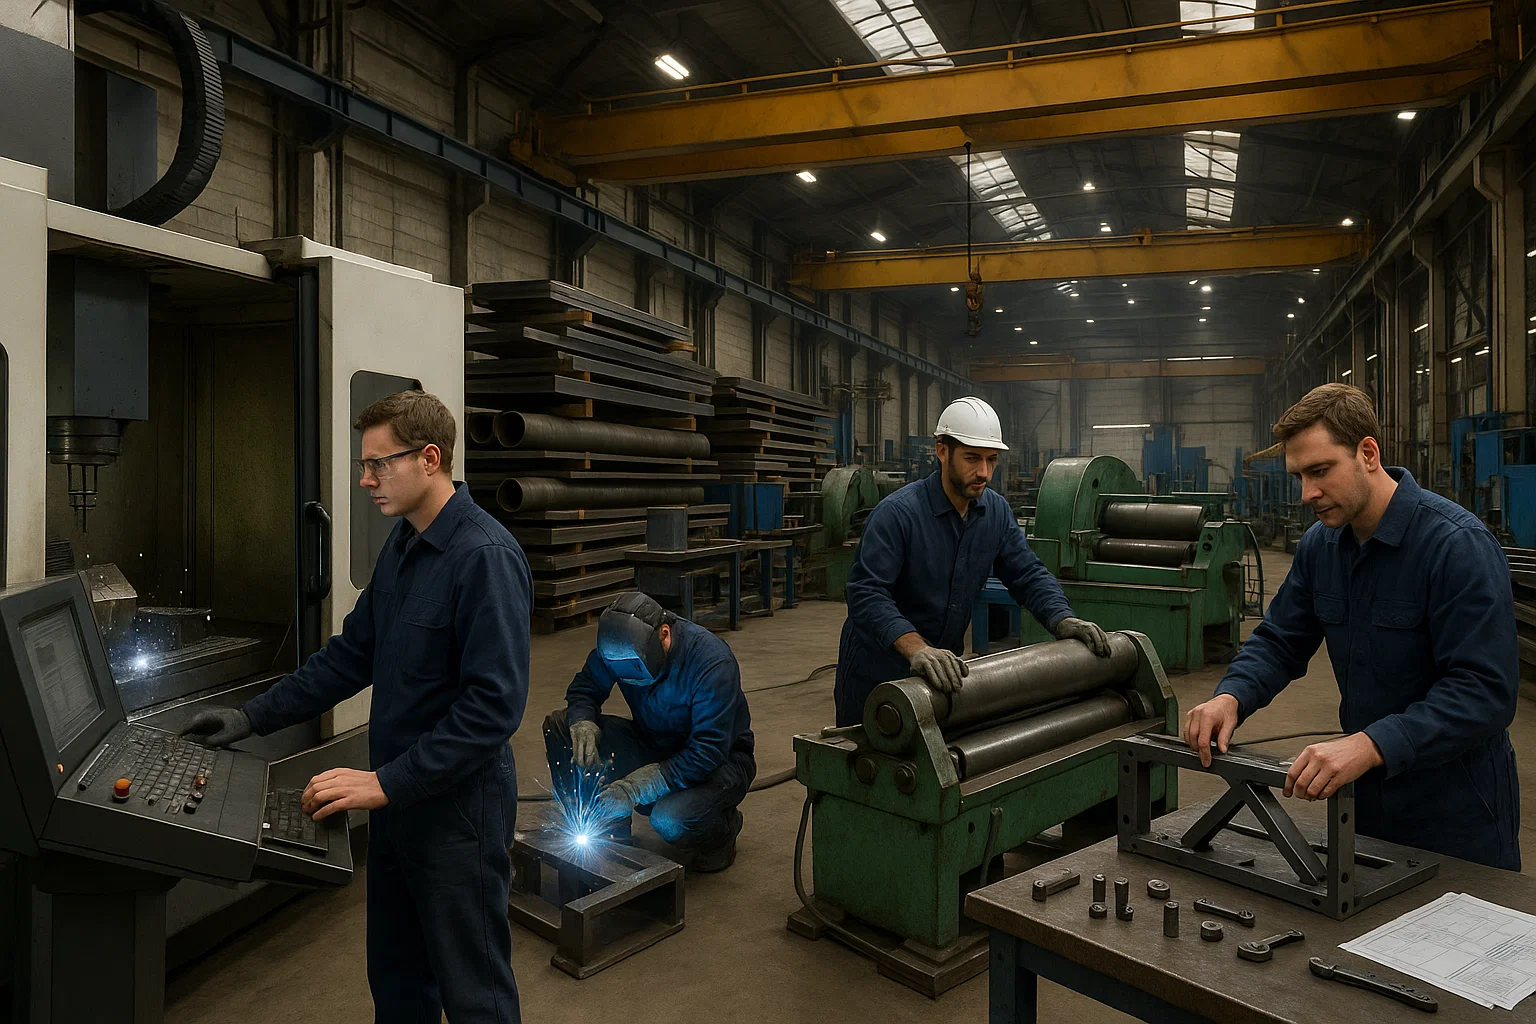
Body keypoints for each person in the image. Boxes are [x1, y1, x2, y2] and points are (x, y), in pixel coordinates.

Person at [181, 390, 531, 1022]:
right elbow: (349, 657)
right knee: (397, 980)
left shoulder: (485, 558)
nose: (366, 479)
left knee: (474, 992)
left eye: (379, 464)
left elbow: (492, 709)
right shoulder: (402, 546)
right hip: (396, 808)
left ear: (429, 459)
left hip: (457, 817)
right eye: (363, 465)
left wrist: (386, 782)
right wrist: (252, 717)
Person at [1183, 383, 1520, 870]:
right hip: (1365, 802)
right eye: (1299, 476)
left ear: (1368, 453)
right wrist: (1231, 696)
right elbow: (1280, 640)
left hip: (1456, 813)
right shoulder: (1321, 547)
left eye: (1320, 471)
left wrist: (1371, 743)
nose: (1307, 493)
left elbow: (1485, 690)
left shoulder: (1455, 546)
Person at [835, 396, 1112, 727]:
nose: (984, 472)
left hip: (942, 672)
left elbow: (1027, 573)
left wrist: (1062, 618)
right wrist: (917, 649)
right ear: (942, 451)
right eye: (972, 458)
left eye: (991, 460)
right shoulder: (898, 515)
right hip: (878, 674)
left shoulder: (994, 512)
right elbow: (866, 592)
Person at [543, 592, 754, 872]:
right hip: (653, 742)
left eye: (636, 669)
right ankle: (607, 828)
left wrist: (634, 788)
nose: (631, 679)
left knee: (670, 818)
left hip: (719, 763)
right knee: (561, 727)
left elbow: (708, 751)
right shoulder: (616, 646)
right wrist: (583, 722)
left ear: (664, 634)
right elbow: (585, 688)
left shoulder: (711, 662)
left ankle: (722, 834)